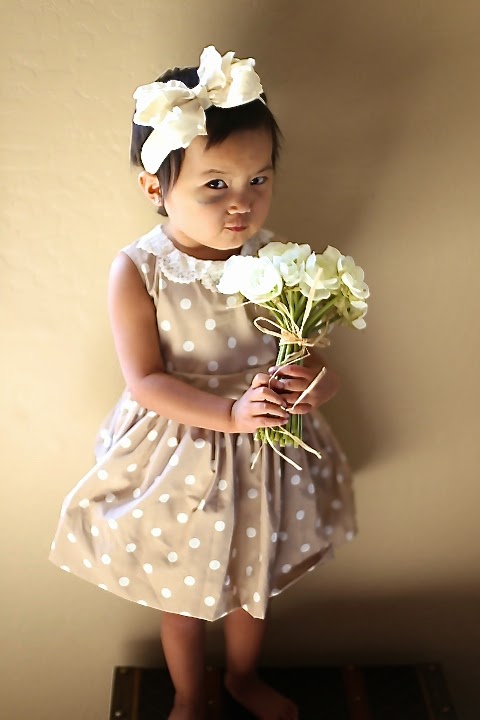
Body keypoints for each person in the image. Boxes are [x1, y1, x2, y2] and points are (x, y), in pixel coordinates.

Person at [49, 45, 357, 720]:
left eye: (258, 179)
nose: (241, 203)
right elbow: (145, 380)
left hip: (263, 454)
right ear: (154, 189)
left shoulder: (277, 260)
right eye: (215, 184)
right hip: (179, 453)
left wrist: (313, 385)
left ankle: (243, 677)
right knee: (181, 596)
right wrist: (228, 415)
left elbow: (307, 358)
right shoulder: (140, 270)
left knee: (252, 585)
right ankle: (191, 694)